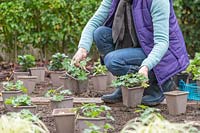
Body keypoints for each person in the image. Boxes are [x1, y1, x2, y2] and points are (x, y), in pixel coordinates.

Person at [72, 0, 189, 105]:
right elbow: (94, 22)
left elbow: (162, 43)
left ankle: (157, 85)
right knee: (100, 34)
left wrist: (146, 66)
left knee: (113, 61)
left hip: (163, 52)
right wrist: (83, 48)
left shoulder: (157, 1)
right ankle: (125, 86)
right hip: (139, 45)